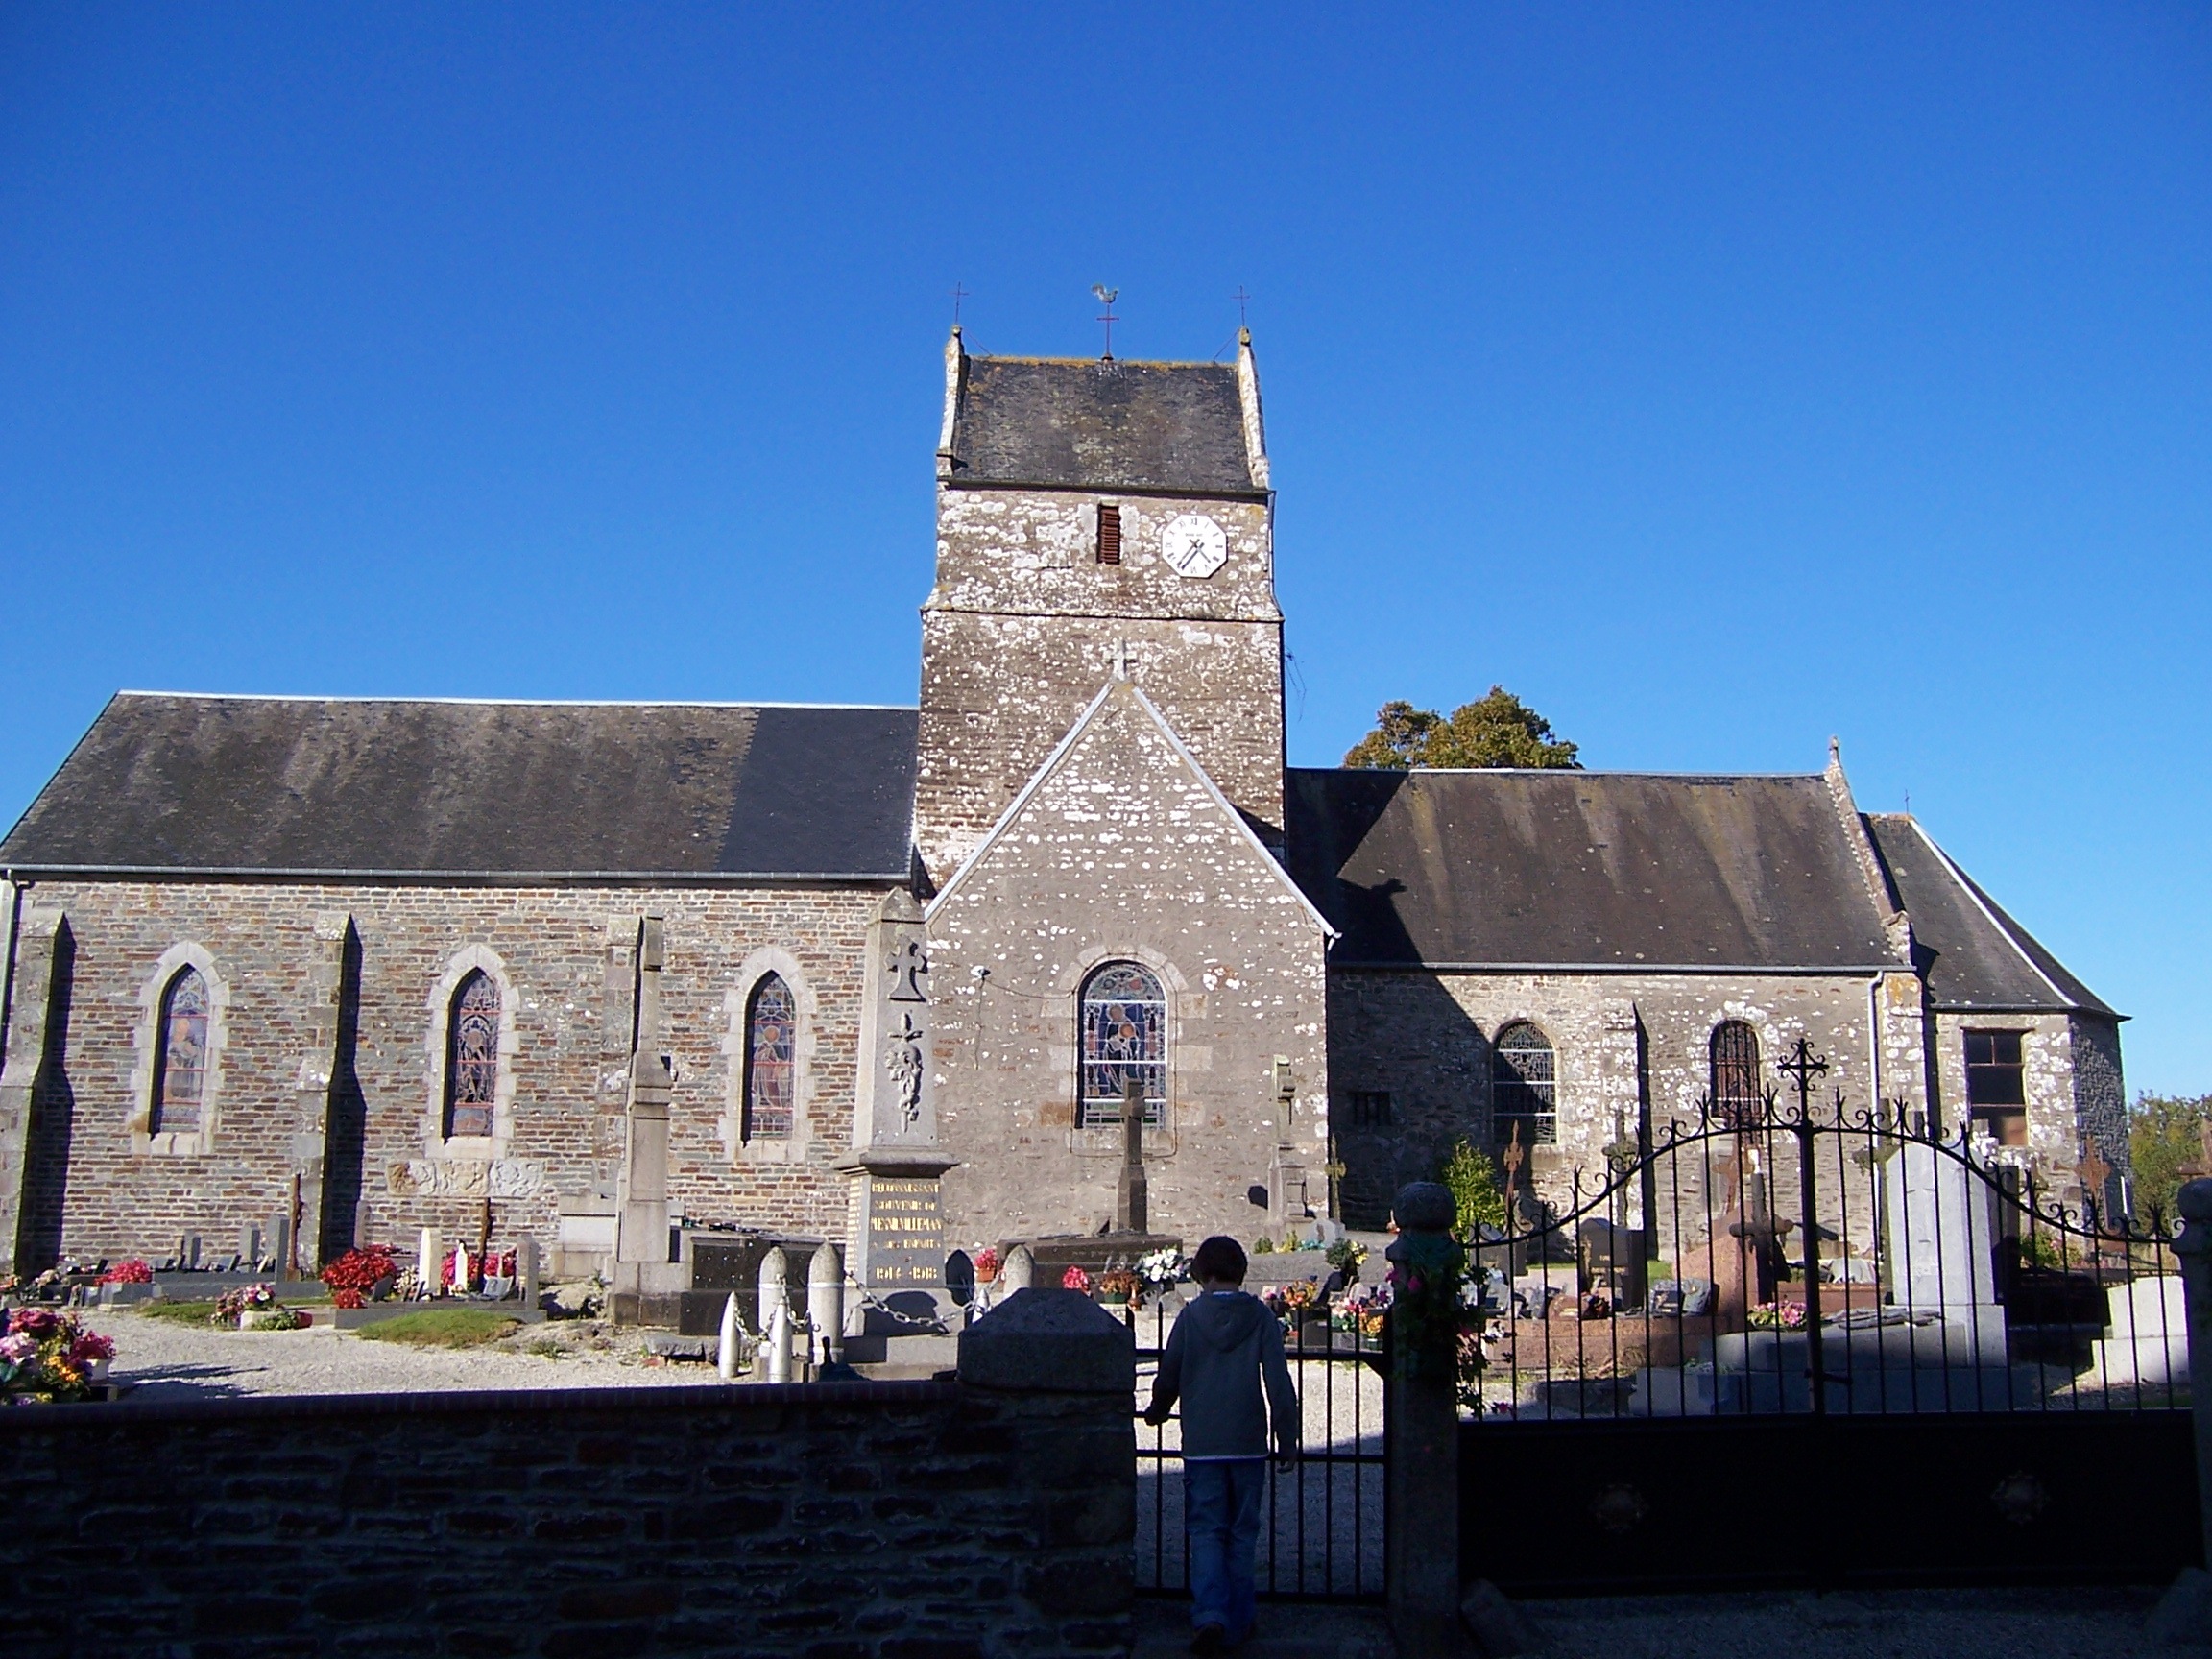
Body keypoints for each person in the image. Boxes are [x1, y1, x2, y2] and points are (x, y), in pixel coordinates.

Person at [1142, 1235, 1299, 1654]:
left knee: (1207, 1530)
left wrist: (1158, 1408)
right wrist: (1288, 1436)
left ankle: (1211, 1613)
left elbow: (1170, 1371)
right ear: (1240, 1271)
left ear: (1202, 1273)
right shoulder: (1261, 1318)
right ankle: (1241, 1617)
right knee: (1242, 1533)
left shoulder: (1191, 1318)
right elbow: (1279, 1384)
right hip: (1248, 1441)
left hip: (1203, 1442)